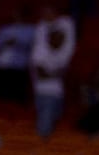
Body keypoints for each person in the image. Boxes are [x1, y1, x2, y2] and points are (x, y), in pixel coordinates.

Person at [30, 9, 75, 137]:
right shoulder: (40, 51)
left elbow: (61, 74)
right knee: (44, 129)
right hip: (45, 94)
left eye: (62, 39)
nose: (61, 41)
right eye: (58, 38)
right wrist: (58, 74)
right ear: (50, 38)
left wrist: (57, 74)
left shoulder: (60, 54)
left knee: (56, 128)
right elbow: (41, 75)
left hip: (58, 94)